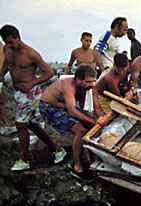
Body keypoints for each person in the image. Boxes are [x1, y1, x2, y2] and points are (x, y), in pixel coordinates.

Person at [0, 25, 66, 171]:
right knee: (32, 125)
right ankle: (58, 150)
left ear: (17, 37)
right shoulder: (7, 50)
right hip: (18, 93)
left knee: (20, 124)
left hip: (31, 93)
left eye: (11, 42)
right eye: (6, 42)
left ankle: (24, 160)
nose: (9, 45)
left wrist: (31, 82)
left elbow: (49, 72)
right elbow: (5, 66)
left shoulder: (30, 53)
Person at [39, 65, 106, 176]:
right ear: (78, 79)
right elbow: (72, 111)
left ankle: (93, 157)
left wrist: (100, 119)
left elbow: (97, 108)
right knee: (80, 130)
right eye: (88, 82)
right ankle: (77, 165)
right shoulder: (68, 86)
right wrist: (93, 122)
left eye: (93, 81)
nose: (92, 84)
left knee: (93, 127)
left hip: (65, 105)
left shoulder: (91, 87)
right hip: (49, 107)